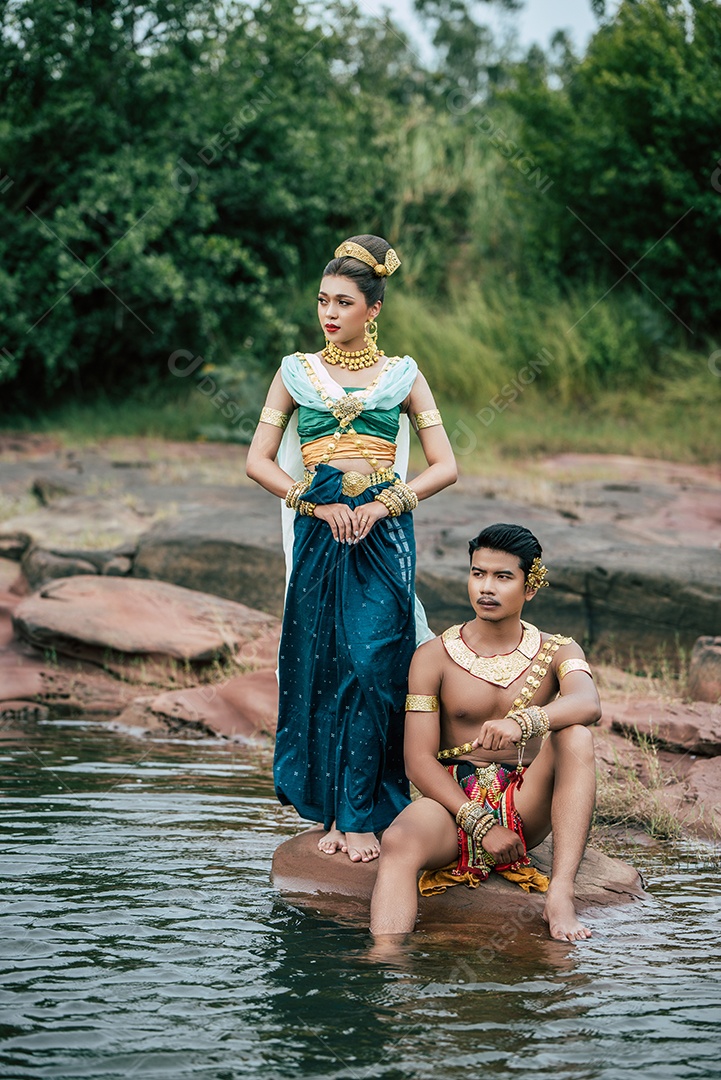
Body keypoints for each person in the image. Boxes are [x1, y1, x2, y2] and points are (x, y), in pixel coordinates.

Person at [246, 234, 457, 864]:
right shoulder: (294, 372)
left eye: (343, 302)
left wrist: (383, 504)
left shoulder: (403, 375)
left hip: (383, 528)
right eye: (321, 301)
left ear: (374, 310)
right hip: (319, 526)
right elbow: (257, 461)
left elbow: (445, 466)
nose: (329, 313)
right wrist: (316, 504)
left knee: (375, 664)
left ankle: (368, 811)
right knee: (323, 663)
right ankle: (336, 812)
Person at [369, 522, 601, 942]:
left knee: (577, 735)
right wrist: (481, 824)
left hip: (526, 800)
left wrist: (523, 722)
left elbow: (588, 703)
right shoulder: (433, 656)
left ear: (530, 588)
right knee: (399, 841)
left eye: (502, 576)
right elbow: (418, 762)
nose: (486, 588)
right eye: (477, 574)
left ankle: (561, 893)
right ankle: (387, 969)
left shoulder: (559, 650)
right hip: (452, 802)